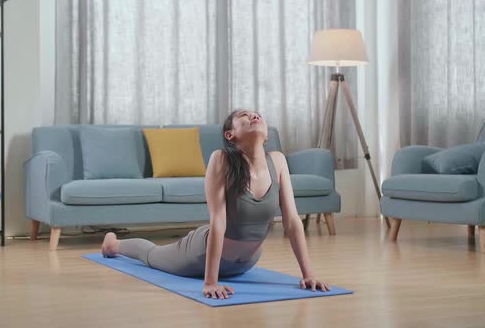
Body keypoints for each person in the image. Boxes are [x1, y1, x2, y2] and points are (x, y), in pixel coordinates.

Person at [101, 109, 330, 300]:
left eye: (256, 114)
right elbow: (218, 220)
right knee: (152, 255)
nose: (253, 116)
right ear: (230, 135)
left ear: (267, 135)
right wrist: (211, 282)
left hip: (246, 264)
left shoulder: (278, 161)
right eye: (244, 115)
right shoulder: (221, 159)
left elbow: (292, 221)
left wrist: (308, 274)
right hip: (199, 256)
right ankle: (113, 244)